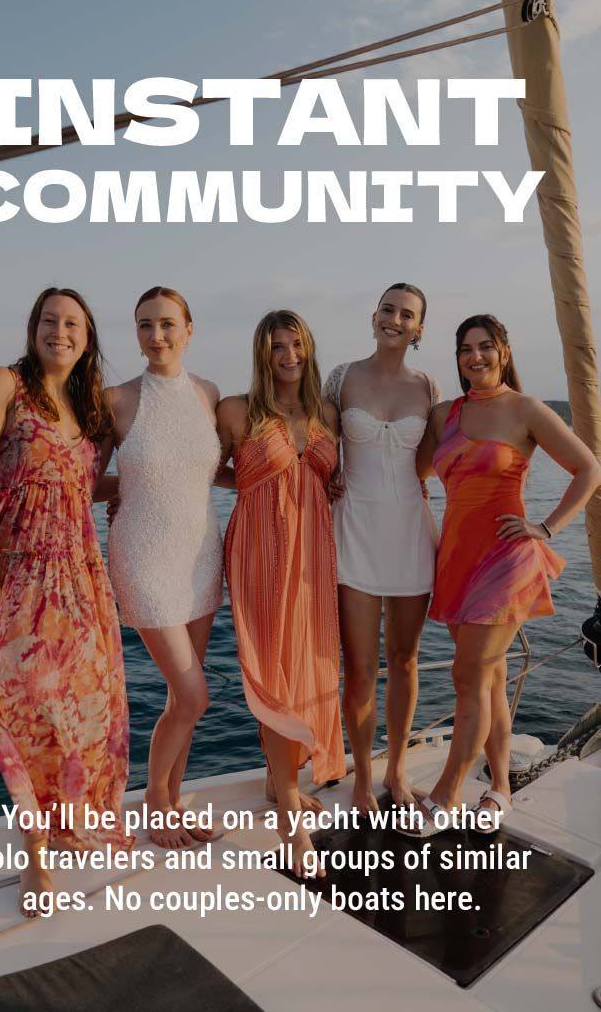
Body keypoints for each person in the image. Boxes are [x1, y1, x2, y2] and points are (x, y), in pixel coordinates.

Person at [0, 286, 132, 917]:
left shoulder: (88, 408)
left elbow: (74, 485)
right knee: (24, 717)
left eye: (73, 323)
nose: (61, 331)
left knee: (84, 712)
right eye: (51, 320)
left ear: (88, 336)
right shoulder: (3, 384)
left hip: (78, 579)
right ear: (34, 328)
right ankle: (34, 857)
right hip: (11, 572)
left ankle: (70, 829)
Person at [407, 314, 601, 836]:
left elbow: (588, 468)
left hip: (507, 560)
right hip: (456, 560)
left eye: (486, 347)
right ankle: (500, 790)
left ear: (505, 351)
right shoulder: (444, 414)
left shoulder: (527, 409)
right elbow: (416, 471)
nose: (477, 357)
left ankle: (446, 795)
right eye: (466, 348)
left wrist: (547, 526)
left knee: (467, 676)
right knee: (488, 681)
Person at [218, 310, 346, 879]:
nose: (288, 355)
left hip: (315, 554)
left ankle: (279, 781)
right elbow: (204, 468)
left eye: (296, 344)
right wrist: (250, 480)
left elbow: (333, 479)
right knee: (271, 670)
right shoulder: (237, 411)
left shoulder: (326, 413)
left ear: (309, 347)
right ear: (261, 352)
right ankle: (292, 822)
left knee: (306, 667)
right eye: (277, 346)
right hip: (260, 551)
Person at [105, 286, 223, 850]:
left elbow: (208, 468)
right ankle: (156, 801)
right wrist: (122, 489)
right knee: (195, 694)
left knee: (184, 698)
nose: (157, 336)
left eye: (168, 324)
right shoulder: (117, 399)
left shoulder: (208, 394)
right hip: (145, 555)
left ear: (189, 328)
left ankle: (175, 799)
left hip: (201, 553)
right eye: (145, 325)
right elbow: (82, 476)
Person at [323, 284, 439, 814]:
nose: (395, 319)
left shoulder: (428, 387)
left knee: (406, 659)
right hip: (355, 530)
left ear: (419, 329)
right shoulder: (342, 378)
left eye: (407, 314)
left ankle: (397, 770)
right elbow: (321, 452)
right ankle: (363, 777)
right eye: (388, 310)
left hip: (410, 530)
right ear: (374, 317)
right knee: (362, 668)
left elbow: (429, 463)